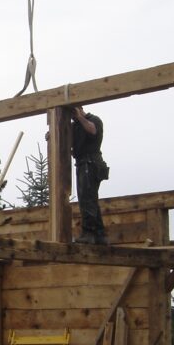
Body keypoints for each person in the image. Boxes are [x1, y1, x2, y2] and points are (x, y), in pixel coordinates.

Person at [68, 105, 110, 245]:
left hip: (91, 163)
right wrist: (52, 137)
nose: (73, 117)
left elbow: (92, 130)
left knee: (87, 199)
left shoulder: (93, 120)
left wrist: (79, 116)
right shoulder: (75, 127)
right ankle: (100, 235)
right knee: (90, 199)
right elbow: (69, 146)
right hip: (82, 163)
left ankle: (88, 234)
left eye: (73, 112)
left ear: (80, 108)